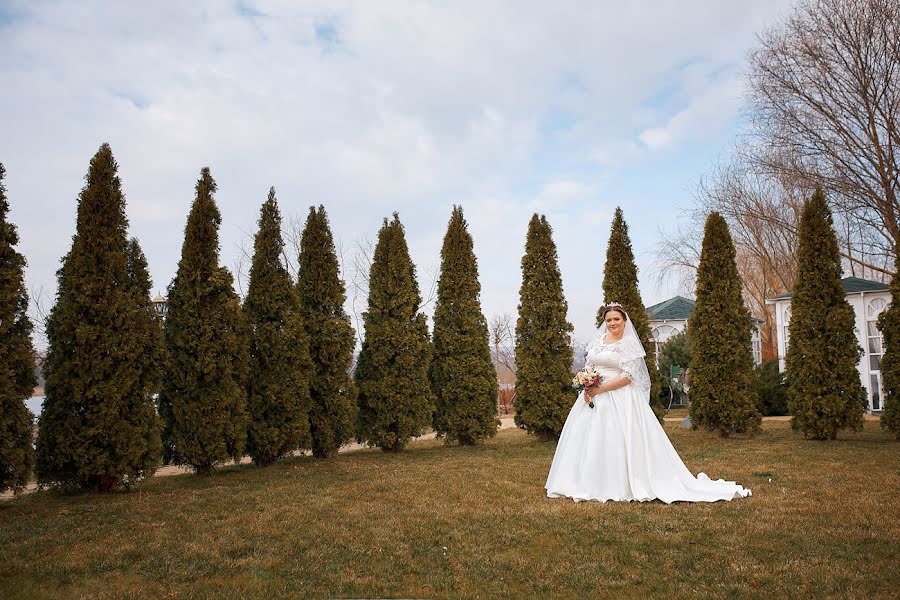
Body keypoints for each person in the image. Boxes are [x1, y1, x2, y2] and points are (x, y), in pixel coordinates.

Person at [545, 304, 751, 503]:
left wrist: (600, 389)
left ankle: (619, 484)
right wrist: (586, 387)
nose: (612, 323)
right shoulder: (598, 341)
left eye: (616, 319)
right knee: (589, 439)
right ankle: (583, 482)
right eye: (608, 319)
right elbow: (590, 366)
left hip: (620, 396)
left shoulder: (630, 344)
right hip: (594, 396)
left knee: (617, 438)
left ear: (625, 321)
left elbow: (628, 377)